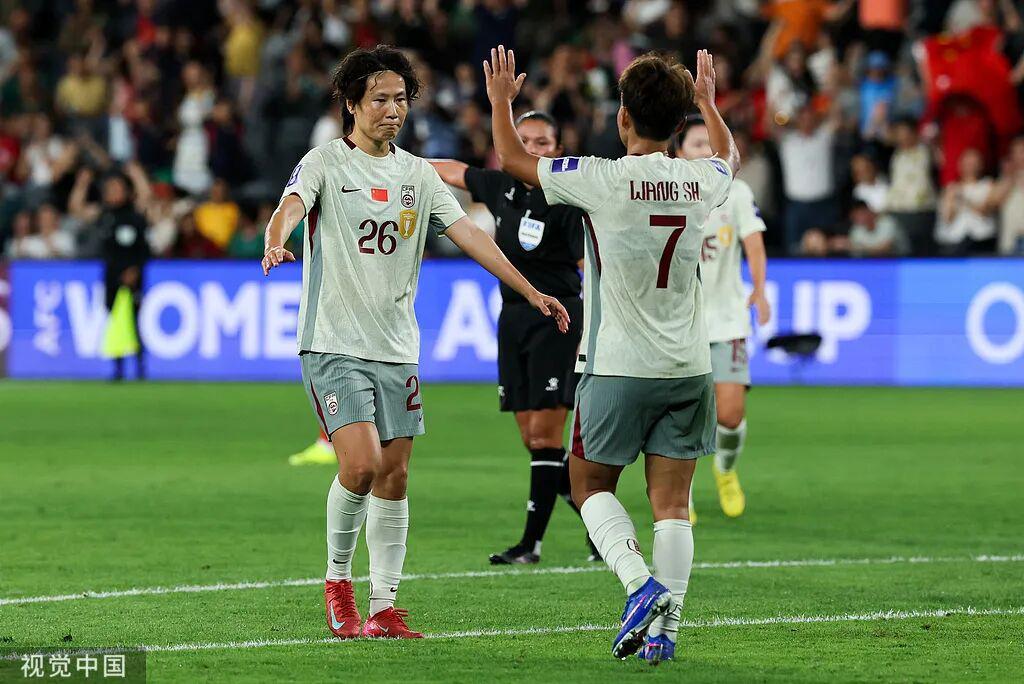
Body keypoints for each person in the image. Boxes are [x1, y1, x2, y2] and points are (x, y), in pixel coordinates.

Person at [261, 45, 570, 642]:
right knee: (361, 465)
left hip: (397, 346)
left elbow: (471, 236)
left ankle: (384, 607)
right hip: (333, 341)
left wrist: (531, 292)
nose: (393, 110)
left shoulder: (418, 175)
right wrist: (277, 240)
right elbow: (290, 205)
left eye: (400, 99)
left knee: (395, 476)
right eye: (380, 99)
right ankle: (338, 583)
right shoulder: (326, 161)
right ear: (352, 104)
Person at [485, 46, 738, 664]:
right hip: (689, 367)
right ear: (679, 124)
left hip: (617, 366)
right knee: (671, 506)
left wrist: (500, 103)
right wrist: (708, 103)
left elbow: (513, 160)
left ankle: (638, 584)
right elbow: (729, 156)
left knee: (588, 484)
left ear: (623, 118)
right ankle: (666, 633)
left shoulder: (599, 178)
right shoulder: (700, 179)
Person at [430, 111, 597, 566]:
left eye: (542, 142)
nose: (532, 149)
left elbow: (587, 266)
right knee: (533, 438)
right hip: (514, 318)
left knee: (544, 435)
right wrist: (392, 160)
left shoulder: (566, 199)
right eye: (524, 140)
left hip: (558, 319)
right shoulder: (501, 185)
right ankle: (601, 522)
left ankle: (530, 545)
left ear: (557, 149)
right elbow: (453, 171)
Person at [674, 117, 769, 522]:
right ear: (679, 152)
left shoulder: (736, 191)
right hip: (678, 324)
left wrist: (759, 289)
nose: (703, 149)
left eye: (708, 142)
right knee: (683, 416)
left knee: (729, 415)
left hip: (727, 319)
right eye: (695, 143)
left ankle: (725, 470)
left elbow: (754, 243)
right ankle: (682, 492)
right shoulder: (667, 191)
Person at [69, 163, 153, 381]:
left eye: (117, 188)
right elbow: (76, 209)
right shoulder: (104, 215)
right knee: (115, 322)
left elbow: (147, 198)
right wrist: (82, 183)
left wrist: (137, 175)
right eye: (109, 189)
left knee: (134, 321)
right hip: (111, 277)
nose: (112, 192)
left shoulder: (134, 215)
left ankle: (140, 367)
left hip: (133, 277)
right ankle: (118, 367)